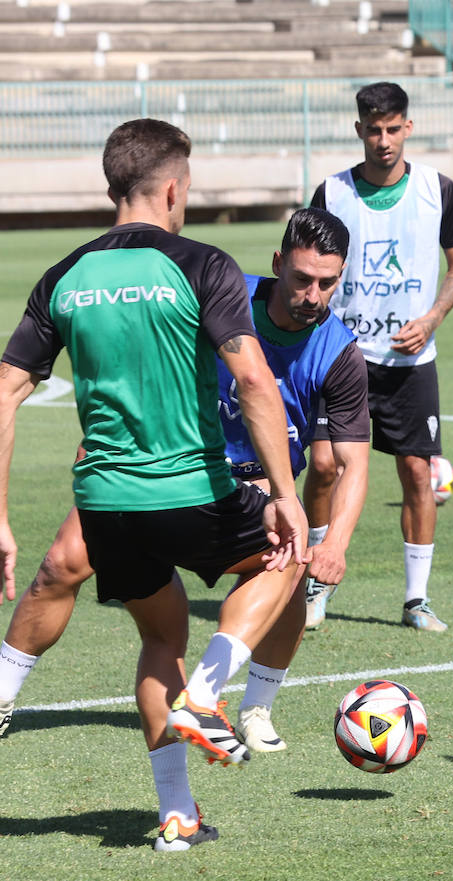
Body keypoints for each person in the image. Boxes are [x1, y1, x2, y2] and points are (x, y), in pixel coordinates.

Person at [0, 119, 308, 850]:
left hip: (106, 506)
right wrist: (285, 494)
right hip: (189, 489)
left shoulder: (64, 276)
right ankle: (207, 692)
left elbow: (6, 391)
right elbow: (254, 380)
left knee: (160, 634)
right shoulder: (202, 263)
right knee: (291, 553)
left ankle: (178, 815)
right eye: (188, 188)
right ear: (172, 187)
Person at [0, 208, 371, 757]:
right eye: (301, 279)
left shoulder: (339, 351)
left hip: (264, 485)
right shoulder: (218, 291)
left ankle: (255, 708)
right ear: (277, 265)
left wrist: (333, 542)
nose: (312, 295)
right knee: (60, 563)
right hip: (170, 465)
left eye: (327, 283)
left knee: (287, 563)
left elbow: (351, 461)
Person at [308, 81, 453, 631]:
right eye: (373, 130)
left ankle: (415, 601)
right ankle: (314, 585)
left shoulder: (437, 189)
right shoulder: (331, 193)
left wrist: (431, 319)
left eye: (392, 128)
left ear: (408, 126)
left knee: (417, 474)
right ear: (359, 130)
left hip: (410, 363)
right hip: (342, 358)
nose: (383, 140)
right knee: (326, 467)